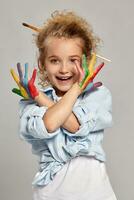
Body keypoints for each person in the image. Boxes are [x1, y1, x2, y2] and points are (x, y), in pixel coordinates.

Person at [15, 10, 117, 200]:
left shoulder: (98, 96)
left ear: (87, 62)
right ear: (42, 64)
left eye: (73, 60)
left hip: (95, 194)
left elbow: (75, 125)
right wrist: (37, 97)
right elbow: (50, 124)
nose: (63, 69)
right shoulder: (29, 104)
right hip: (50, 194)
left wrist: (41, 96)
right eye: (54, 60)